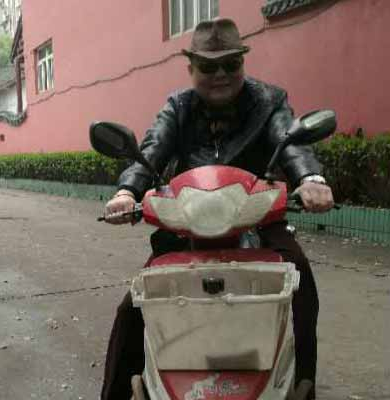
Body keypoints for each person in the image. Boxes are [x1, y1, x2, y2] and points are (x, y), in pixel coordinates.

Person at [99, 18, 334, 400]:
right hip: (187, 225)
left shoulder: (269, 101)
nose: (220, 74)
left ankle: (302, 382)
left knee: (300, 281)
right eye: (208, 66)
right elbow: (153, 147)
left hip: (259, 220)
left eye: (230, 63)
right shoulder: (178, 107)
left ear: (242, 62)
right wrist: (127, 192)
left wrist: (311, 179)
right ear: (191, 67)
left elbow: (290, 142)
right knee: (133, 306)